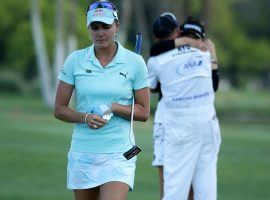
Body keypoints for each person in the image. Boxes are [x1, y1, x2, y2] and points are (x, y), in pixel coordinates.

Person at [54, 1, 150, 200]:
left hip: (120, 153)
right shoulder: (75, 60)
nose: (100, 33)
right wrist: (85, 117)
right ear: (88, 28)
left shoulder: (135, 62)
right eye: (95, 27)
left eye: (106, 26)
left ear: (117, 27)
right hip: (83, 152)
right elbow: (59, 109)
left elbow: (143, 112)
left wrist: (115, 107)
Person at [148, 16, 221, 200]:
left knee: (173, 191)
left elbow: (151, 87)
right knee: (206, 191)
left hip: (177, 126)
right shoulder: (205, 52)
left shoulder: (157, 58)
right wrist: (212, 56)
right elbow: (213, 85)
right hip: (208, 124)